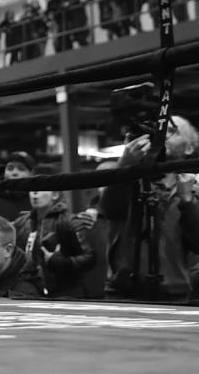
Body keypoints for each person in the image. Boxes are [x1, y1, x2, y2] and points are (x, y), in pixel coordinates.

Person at [99, 115, 199, 301]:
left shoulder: (192, 188)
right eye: (157, 129)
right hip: (123, 293)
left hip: (174, 294)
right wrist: (125, 166)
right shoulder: (127, 181)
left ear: (189, 147)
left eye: (170, 131)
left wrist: (187, 202)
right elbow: (108, 210)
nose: (160, 135)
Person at [13, 182, 96, 298]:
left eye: (41, 190)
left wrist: (63, 262)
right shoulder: (21, 223)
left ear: (55, 195)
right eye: (32, 190)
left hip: (66, 291)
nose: (35, 193)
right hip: (30, 290)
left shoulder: (69, 221)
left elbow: (90, 258)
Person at [0, 152, 35, 220]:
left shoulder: (38, 202)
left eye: (21, 169)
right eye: (10, 168)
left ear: (31, 174)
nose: (14, 173)